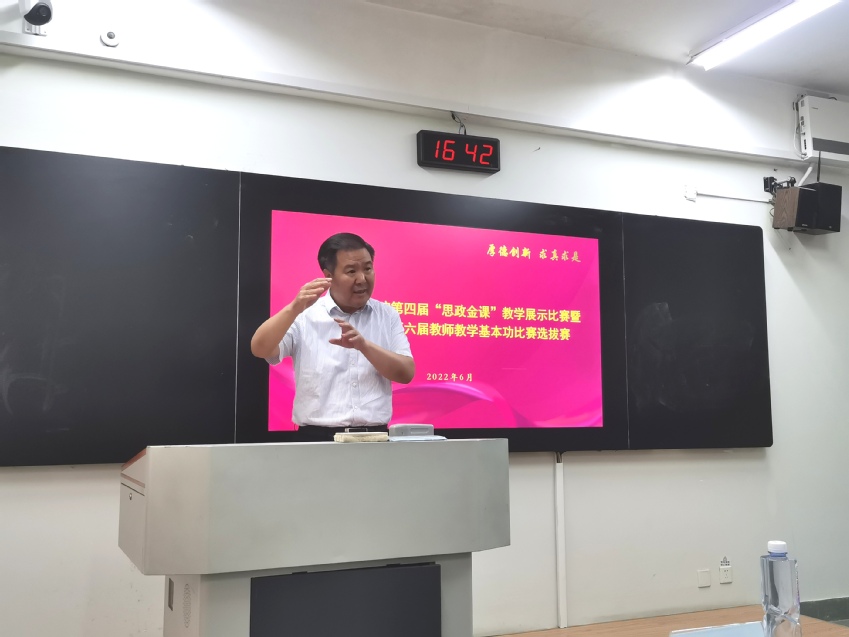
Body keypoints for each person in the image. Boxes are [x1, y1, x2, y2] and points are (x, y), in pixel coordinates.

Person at [250, 232, 415, 441]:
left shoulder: (387, 315)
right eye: (351, 271)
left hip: (376, 438)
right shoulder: (304, 315)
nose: (362, 279)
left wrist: (364, 346)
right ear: (328, 276)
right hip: (317, 438)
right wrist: (294, 307)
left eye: (368, 268)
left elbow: (406, 373)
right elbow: (260, 348)